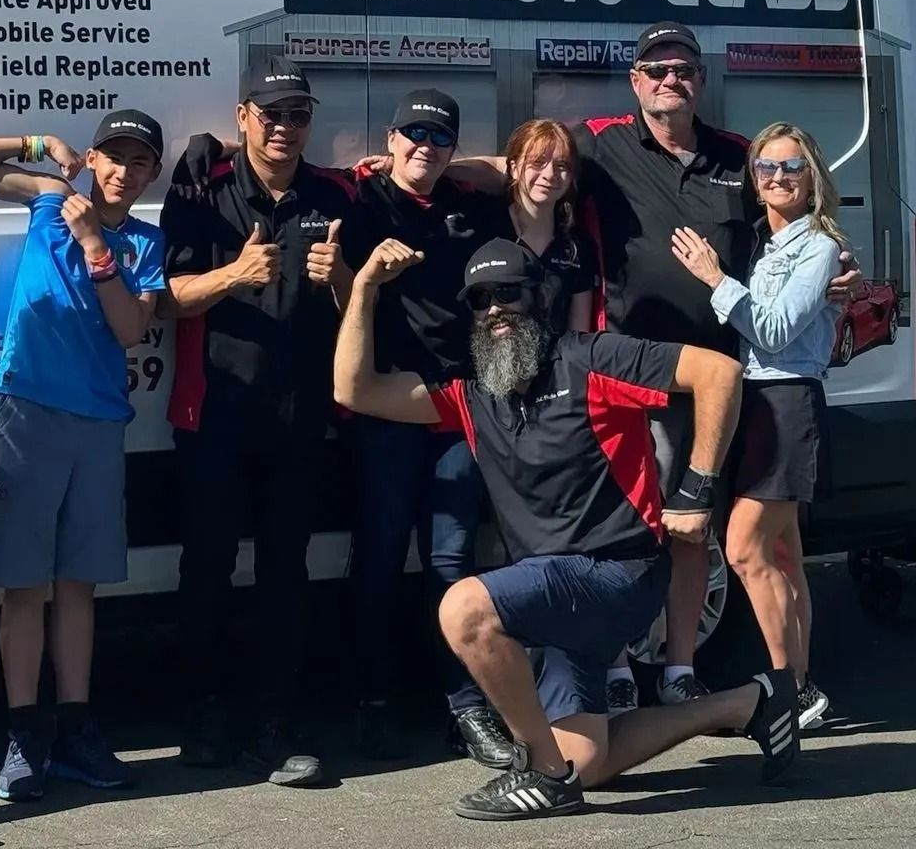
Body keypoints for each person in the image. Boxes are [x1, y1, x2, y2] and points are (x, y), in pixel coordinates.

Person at [446, 21, 856, 710]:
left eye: (684, 69)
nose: (671, 79)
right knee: (638, 527)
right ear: (636, 81)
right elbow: (520, 165)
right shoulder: (605, 145)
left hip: (730, 380)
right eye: (657, 69)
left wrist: (834, 274)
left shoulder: (739, 158)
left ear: (700, 80)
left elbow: (791, 221)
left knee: (710, 529)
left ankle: (681, 670)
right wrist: (413, 166)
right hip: (638, 383)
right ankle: (615, 667)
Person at [335, 238, 799, 820]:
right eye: (481, 300)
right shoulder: (473, 395)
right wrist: (363, 288)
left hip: (617, 573)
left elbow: (719, 373)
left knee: (464, 609)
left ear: (540, 298)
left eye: (509, 293)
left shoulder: (591, 358)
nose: (495, 308)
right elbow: (354, 390)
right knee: (591, 763)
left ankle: (541, 774)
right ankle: (751, 701)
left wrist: (697, 489)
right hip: (555, 599)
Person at [0, 111, 169, 801]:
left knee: (78, 585)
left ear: (152, 174)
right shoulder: (48, 196)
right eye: (113, 157)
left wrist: (97, 247)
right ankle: (22, 736)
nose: (124, 172)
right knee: (23, 585)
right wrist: (41, 147)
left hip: (98, 421)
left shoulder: (147, 242)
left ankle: (74, 731)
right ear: (94, 158)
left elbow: (131, 327)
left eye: (139, 162)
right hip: (25, 409)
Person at [159, 57, 355, 787]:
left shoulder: (332, 195)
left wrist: (338, 276)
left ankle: (276, 721)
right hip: (214, 410)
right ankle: (202, 713)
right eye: (270, 113)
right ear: (244, 116)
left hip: (299, 415)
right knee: (205, 568)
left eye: (297, 114)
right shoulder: (200, 188)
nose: (284, 126)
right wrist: (232, 277)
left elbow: (362, 306)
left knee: (284, 572)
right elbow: (169, 295)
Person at [336, 90, 514, 767]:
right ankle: (370, 702)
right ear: (389, 138)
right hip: (384, 405)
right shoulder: (360, 204)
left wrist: (457, 166)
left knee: (451, 563)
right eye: (412, 135)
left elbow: (522, 167)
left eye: (438, 138)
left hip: (455, 407)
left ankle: (466, 708)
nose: (424, 147)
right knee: (379, 560)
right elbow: (338, 298)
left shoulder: (472, 207)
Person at [672, 122, 844, 731]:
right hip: (753, 402)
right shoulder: (760, 245)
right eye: (766, 168)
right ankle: (804, 687)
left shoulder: (819, 248)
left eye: (792, 167)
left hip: (789, 403)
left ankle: (786, 692)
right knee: (783, 553)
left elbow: (773, 331)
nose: (778, 178)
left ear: (812, 176)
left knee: (744, 548)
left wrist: (714, 278)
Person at [502, 119, 595, 338]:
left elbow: (578, 336)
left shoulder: (578, 247)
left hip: (559, 369)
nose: (549, 174)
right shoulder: (485, 231)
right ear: (514, 169)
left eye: (561, 165)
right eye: (538, 162)